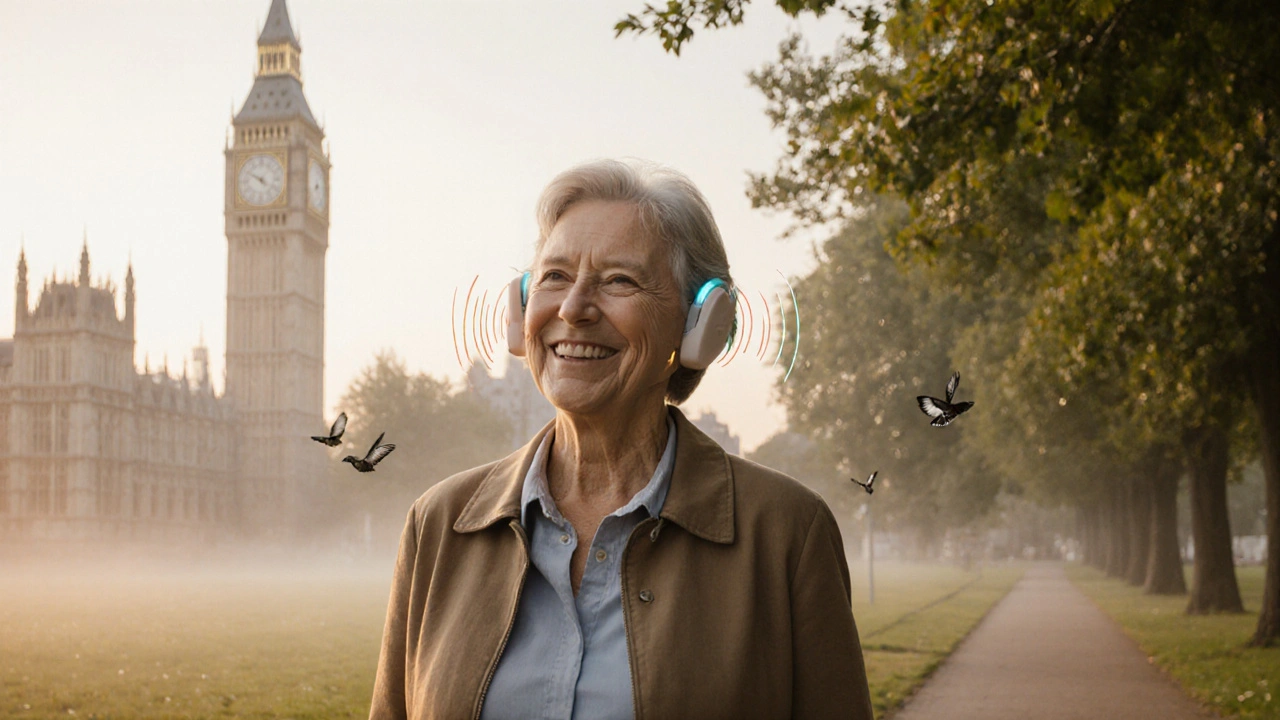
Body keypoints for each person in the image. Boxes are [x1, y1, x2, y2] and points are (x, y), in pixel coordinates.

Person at [369, 159, 873, 720]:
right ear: (522, 308)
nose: (573, 309)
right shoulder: (437, 526)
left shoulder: (787, 534)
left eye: (618, 281)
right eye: (554, 276)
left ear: (700, 321)